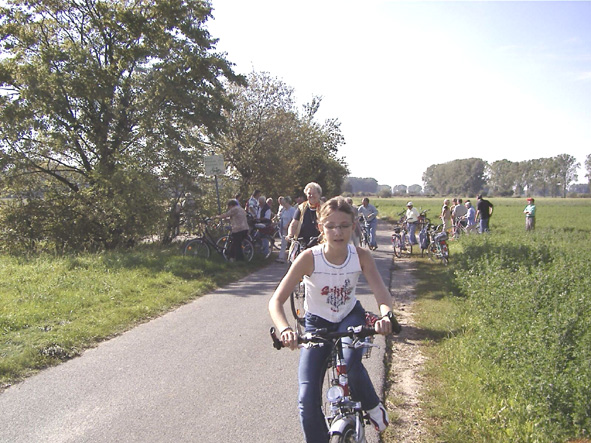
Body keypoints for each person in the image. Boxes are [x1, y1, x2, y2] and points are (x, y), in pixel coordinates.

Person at [268, 197, 397, 441]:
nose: (338, 232)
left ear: (353, 226)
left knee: (351, 364)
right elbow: (276, 301)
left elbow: (382, 294)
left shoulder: (361, 256)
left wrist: (386, 316)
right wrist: (285, 330)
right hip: (317, 323)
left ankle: (372, 406)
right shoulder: (309, 258)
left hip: (350, 316)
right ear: (321, 227)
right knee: (307, 398)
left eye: (344, 225)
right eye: (331, 226)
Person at [287, 182, 323, 247]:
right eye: (309, 193)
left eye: (314, 193)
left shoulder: (324, 207)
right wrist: (290, 235)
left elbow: (329, 224)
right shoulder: (301, 207)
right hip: (302, 243)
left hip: (319, 243)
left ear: (319, 194)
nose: (311, 195)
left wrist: (323, 234)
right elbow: (294, 224)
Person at [276, 196, 296, 263]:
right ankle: (281, 257)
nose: (283, 204)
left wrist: (288, 225)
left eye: (284, 203)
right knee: (283, 243)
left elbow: (294, 219)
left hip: (291, 229)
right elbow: (281, 217)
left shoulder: (292, 210)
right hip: (284, 229)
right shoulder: (284, 210)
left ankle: (292, 258)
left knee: (293, 243)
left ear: (287, 202)